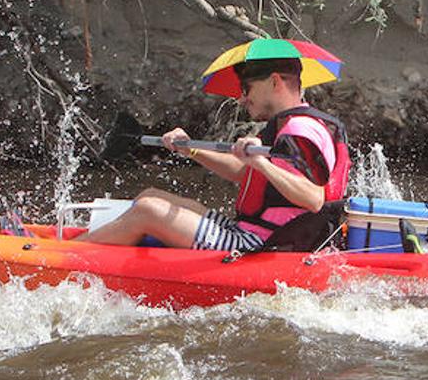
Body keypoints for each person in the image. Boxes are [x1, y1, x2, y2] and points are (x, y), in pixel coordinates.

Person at [79, 57, 351, 251]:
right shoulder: (282, 126)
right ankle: (99, 242)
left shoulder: (300, 130)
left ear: (275, 81)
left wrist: (260, 163)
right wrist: (191, 148)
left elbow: (314, 198)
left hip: (264, 244)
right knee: (150, 197)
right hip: (250, 231)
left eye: (246, 88)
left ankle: (69, 254)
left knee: (149, 211)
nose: (242, 98)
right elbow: (241, 171)